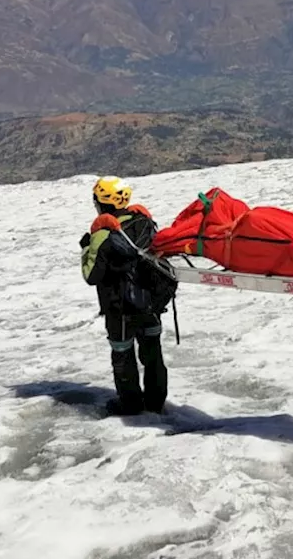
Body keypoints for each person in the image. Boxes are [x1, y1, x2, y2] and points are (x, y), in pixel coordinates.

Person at [79, 175, 170, 416]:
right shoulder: (145, 223)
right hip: (151, 304)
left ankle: (130, 406)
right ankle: (156, 403)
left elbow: (91, 275)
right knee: (153, 354)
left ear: (100, 201)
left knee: (123, 355)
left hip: (119, 308)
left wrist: (86, 248)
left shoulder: (102, 234)